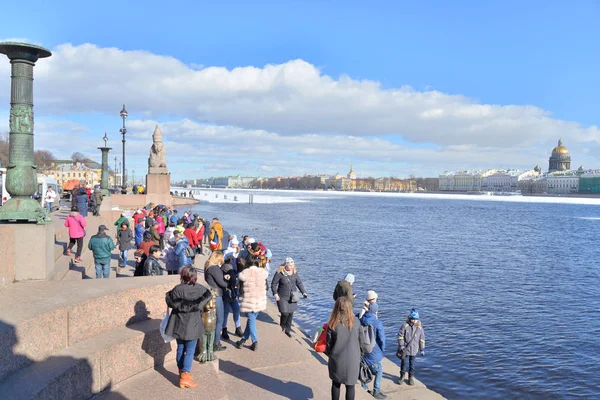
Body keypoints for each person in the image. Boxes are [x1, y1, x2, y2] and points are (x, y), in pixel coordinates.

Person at [165, 266, 212, 389]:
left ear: (182, 276)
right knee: (190, 350)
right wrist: (198, 305)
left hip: (178, 323)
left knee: (180, 347)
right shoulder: (198, 288)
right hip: (193, 323)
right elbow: (209, 294)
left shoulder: (177, 289)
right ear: (194, 277)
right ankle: (185, 376)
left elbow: (169, 300)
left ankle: (181, 372)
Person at [326, 297, 362, 400]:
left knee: (336, 384)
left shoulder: (332, 323)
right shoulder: (356, 322)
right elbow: (362, 342)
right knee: (350, 386)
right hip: (352, 360)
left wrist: (330, 354)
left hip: (336, 359)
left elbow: (328, 344)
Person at [235, 259, 268, 351]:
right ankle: (243, 340)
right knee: (251, 321)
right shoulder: (262, 272)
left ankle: (255, 341)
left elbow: (240, 286)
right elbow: (267, 286)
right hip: (259, 300)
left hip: (249, 301)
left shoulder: (245, 273)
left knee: (251, 320)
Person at [270, 257, 307, 337]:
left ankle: (288, 330)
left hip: (293, 296)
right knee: (284, 313)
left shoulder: (294, 273)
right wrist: (275, 294)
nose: (291, 267)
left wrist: (303, 292)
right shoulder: (279, 273)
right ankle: (282, 326)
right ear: (286, 265)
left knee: (290, 313)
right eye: (290, 265)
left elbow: (299, 283)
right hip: (282, 296)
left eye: (292, 265)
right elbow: (273, 284)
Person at [359, 303, 387, 399]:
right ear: (376, 311)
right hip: (374, 351)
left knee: (364, 368)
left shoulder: (360, 319)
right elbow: (382, 338)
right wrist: (382, 350)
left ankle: (364, 387)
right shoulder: (377, 322)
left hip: (363, 350)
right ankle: (376, 391)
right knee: (379, 371)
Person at [204, 252, 228, 351]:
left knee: (213, 320)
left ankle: (212, 342)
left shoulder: (207, 266)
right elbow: (222, 283)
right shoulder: (214, 268)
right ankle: (216, 343)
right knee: (219, 319)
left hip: (210, 295)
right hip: (217, 295)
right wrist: (228, 281)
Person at [396, 309, 425, 386]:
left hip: (414, 349)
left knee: (412, 364)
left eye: (416, 319)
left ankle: (410, 377)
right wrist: (401, 346)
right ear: (410, 318)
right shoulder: (405, 326)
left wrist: (422, 349)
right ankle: (402, 376)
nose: (415, 321)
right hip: (405, 349)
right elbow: (400, 336)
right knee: (404, 363)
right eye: (413, 319)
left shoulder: (419, 328)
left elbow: (422, 339)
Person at [221, 259, 243, 338]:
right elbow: (234, 281)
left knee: (229, 311)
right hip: (229, 293)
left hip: (229, 293)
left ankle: (229, 329)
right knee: (232, 310)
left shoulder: (227, 268)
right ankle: (232, 329)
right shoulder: (231, 269)